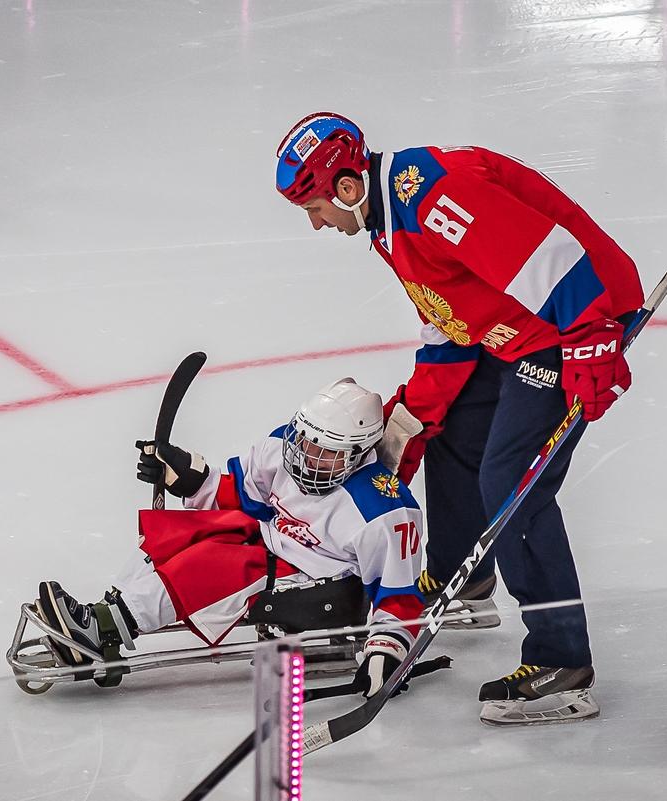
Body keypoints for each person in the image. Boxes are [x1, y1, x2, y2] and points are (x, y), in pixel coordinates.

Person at [274, 113, 644, 725]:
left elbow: (557, 264)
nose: (316, 222)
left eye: (313, 207)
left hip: (569, 325)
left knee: (511, 485)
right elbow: (452, 320)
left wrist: (591, 341)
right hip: (517, 334)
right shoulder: (389, 223)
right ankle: (460, 579)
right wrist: (414, 415)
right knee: (446, 435)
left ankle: (562, 661)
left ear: (344, 187)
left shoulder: (432, 196)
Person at [34, 378, 425, 698]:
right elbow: (241, 494)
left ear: (358, 453)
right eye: (304, 441)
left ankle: (105, 626)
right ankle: (106, 615)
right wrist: (186, 475)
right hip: (270, 539)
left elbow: (400, 592)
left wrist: (386, 651)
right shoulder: (284, 446)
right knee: (185, 533)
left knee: (216, 566)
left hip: (323, 578)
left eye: (323, 452)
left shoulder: (383, 509)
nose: (305, 456)